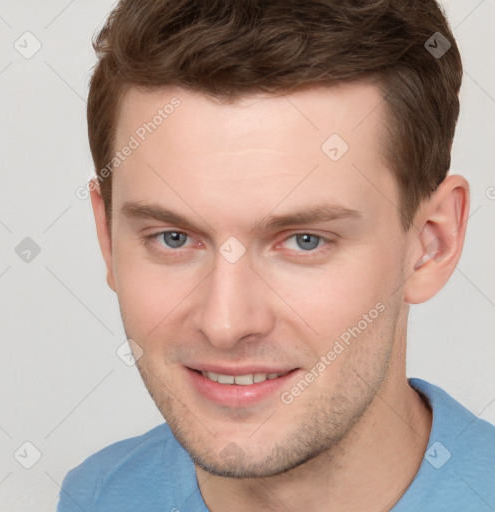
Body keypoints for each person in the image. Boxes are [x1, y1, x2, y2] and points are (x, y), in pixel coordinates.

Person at [58, 0, 495, 510]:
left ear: (431, 244)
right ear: (108, 239)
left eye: (304, 240)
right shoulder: (98, 495)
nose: (225, 324)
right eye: (173, 238)